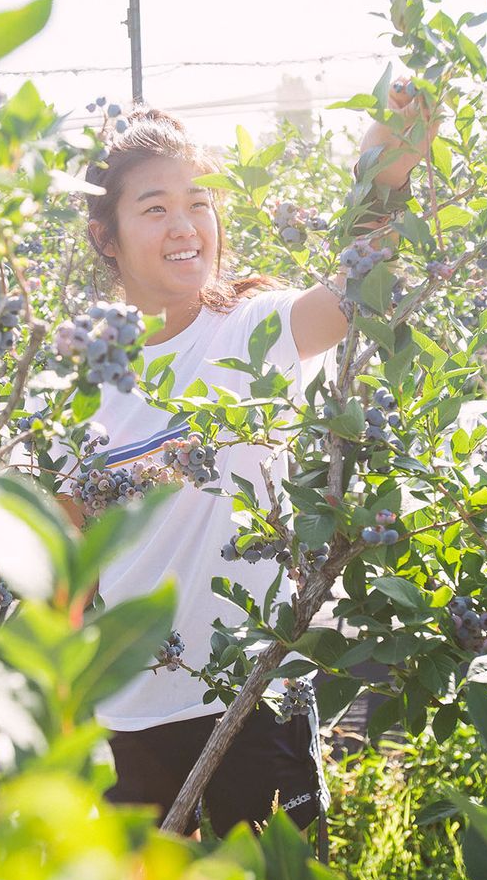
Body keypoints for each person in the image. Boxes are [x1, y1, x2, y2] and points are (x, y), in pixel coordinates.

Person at [57, 89, 424, 840]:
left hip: (256, 692)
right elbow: (71, 573)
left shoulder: (253, 328)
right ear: (107, 237)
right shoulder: (76, 388)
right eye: (154, 208)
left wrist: (388, 166)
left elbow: (361, 285)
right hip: (133, 710)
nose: (186, 226)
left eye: (199, 202)